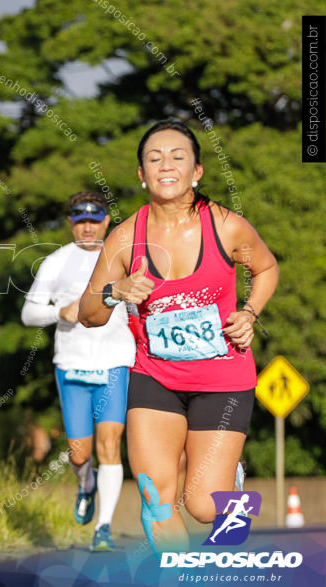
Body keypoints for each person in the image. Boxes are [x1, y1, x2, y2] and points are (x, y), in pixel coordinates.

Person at [78, 120, 278, 554]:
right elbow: (87, 312)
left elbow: (266, 267)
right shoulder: (126, 237)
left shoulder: (227, 227)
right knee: (154, 494)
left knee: (204, 505)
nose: (165, 165)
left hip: (223, 380)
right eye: (154, 158)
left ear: (197, 171)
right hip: (156, 377)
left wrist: (249, 312)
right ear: (141, 174)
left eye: (177, 156)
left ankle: (233, 493)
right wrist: (116, 292)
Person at [21, 191, 135, 551]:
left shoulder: (123, 258)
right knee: (79, 453)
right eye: (80, 221)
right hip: (72, 365)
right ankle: (86, 484)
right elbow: (29, 314)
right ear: (71, 223)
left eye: (94, 220)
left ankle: (104, 527)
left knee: (110, 444)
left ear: (106, 221)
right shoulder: (56, 261)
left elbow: (138, 309)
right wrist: (61, 311)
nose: (87, 227)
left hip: (115, 360)